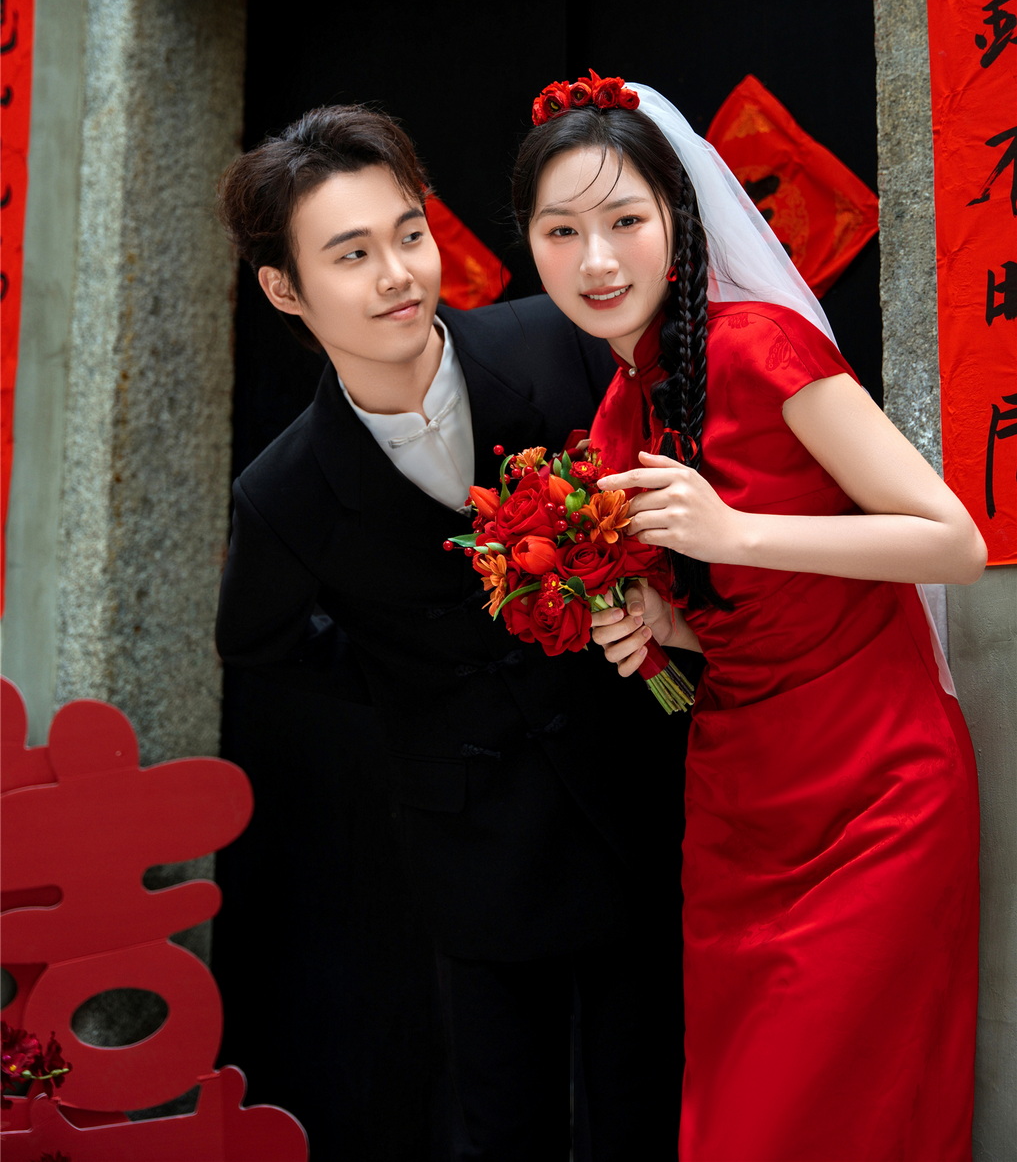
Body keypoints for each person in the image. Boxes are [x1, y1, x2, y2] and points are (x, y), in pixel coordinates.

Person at [511, 71, 984, 1162]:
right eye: (561, 230)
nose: (596, 259)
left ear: (677, 221)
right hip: (738, 811)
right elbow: (731, 618)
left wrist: (735, 533)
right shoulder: (614, 421)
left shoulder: (762, 346)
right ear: (529, 245)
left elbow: (950, 541)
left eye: (625, 221)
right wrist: (658, 627)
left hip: (877, 792)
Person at [214, 103, 688, 1161]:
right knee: (504, 1121)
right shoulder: (284, 491)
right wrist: (409, 674)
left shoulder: (555, 344)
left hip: (636, 790)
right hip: (476, 837)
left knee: (654, 1102)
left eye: (409, 234)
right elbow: (255, 640)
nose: (398, 275)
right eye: (352, 254)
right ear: (285, 290)